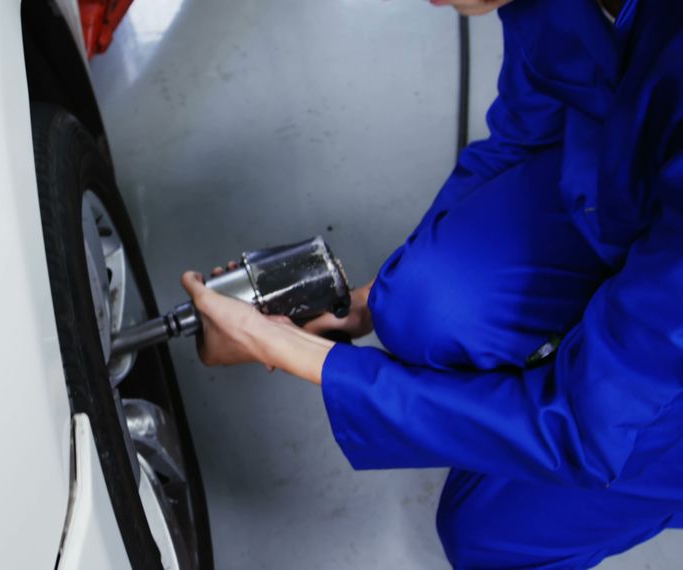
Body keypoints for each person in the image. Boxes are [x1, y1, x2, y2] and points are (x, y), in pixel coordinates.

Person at [180, 0, 683, 567]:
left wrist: (303, 356)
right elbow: (524, 134)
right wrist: (371, 300)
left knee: (484, 530)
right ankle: (539, 383)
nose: (430, 2)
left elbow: (581, 432)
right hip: (647, 222)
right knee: (417, 300)